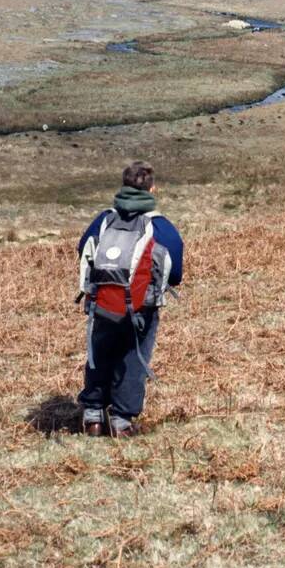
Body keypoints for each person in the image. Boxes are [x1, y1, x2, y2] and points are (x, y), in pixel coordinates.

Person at [76, 160, 183, 438]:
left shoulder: (104, 220)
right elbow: (176, 272)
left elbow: (83, 248)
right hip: (141, 308)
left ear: (123, 187)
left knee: (99, 354)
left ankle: (93, 417)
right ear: (152, 189)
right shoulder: (160, 226)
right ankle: (121, 422)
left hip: (102, 302)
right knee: (133, 359)